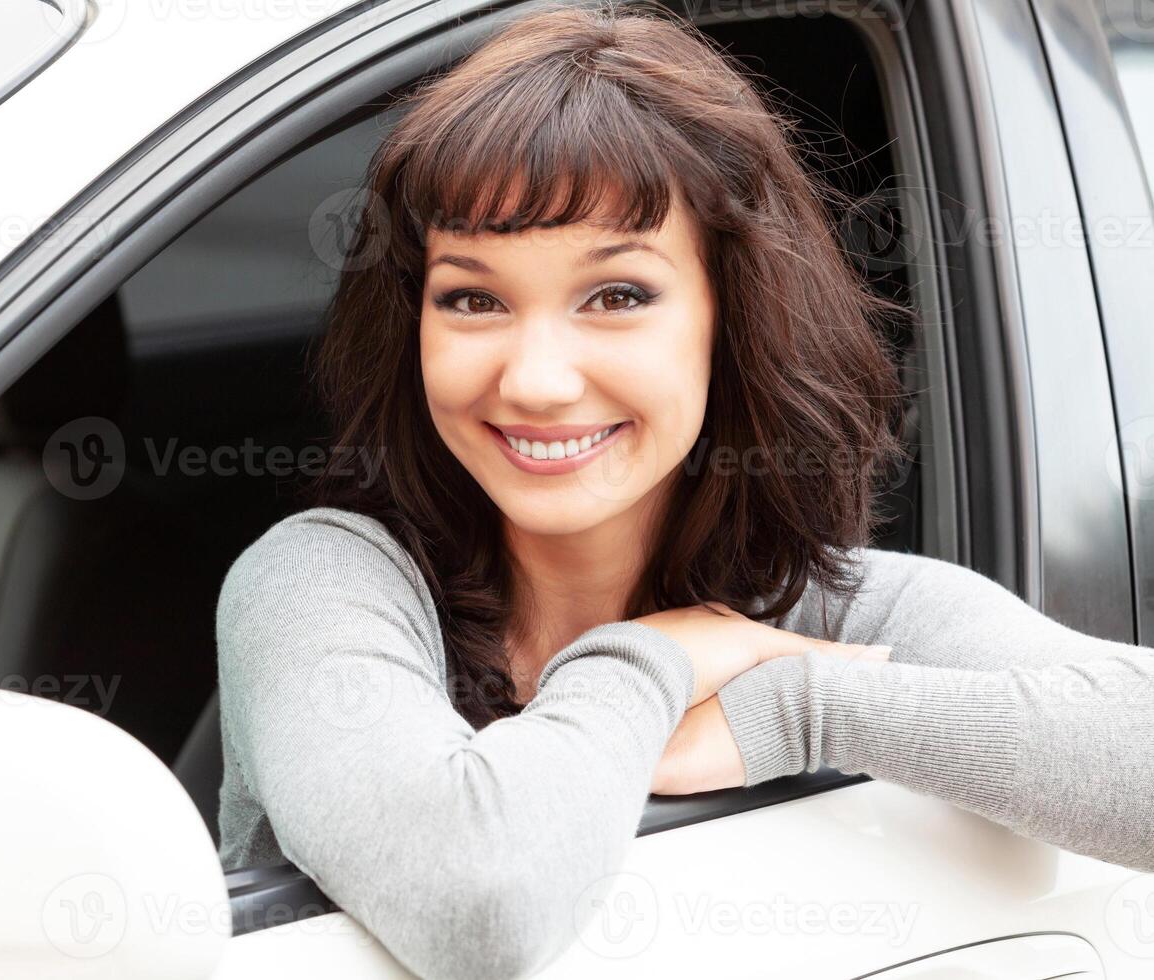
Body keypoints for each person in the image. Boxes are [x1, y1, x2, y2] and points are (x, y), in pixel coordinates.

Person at [212, 5, 1154, 977]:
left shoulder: (821, 610)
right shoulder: (323, 578)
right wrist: (652, 657)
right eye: (473, 297)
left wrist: (807, 703)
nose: (535, 377)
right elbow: (474, 898)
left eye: (616, 295)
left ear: (729, 317)